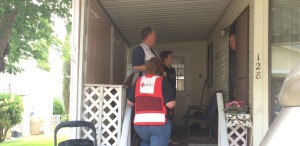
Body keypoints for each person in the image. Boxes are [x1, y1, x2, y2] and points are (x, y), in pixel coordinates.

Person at [127, 57, 176, 146]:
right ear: (161, 69)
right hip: (159, 124)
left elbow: (130, 103)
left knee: (145, 142)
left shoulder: (139, 81)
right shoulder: (162, 81)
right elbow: (170, 105)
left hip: (140, 125)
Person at [160, 51, 178, 144]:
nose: (172, 58)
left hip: (172, 97)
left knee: (171, 117)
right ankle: (164, 138)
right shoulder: (161, 69)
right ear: (164, 59)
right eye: (170, 57)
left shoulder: (173, 70)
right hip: (164, 98)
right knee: (165, 117)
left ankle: (169, 138)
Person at [229, 34, 236, 99]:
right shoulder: (233, 53)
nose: (230, 43)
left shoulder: (240, 52)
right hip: (233, 81)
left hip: (238, 82)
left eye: (232, 41)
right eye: (229, 41)